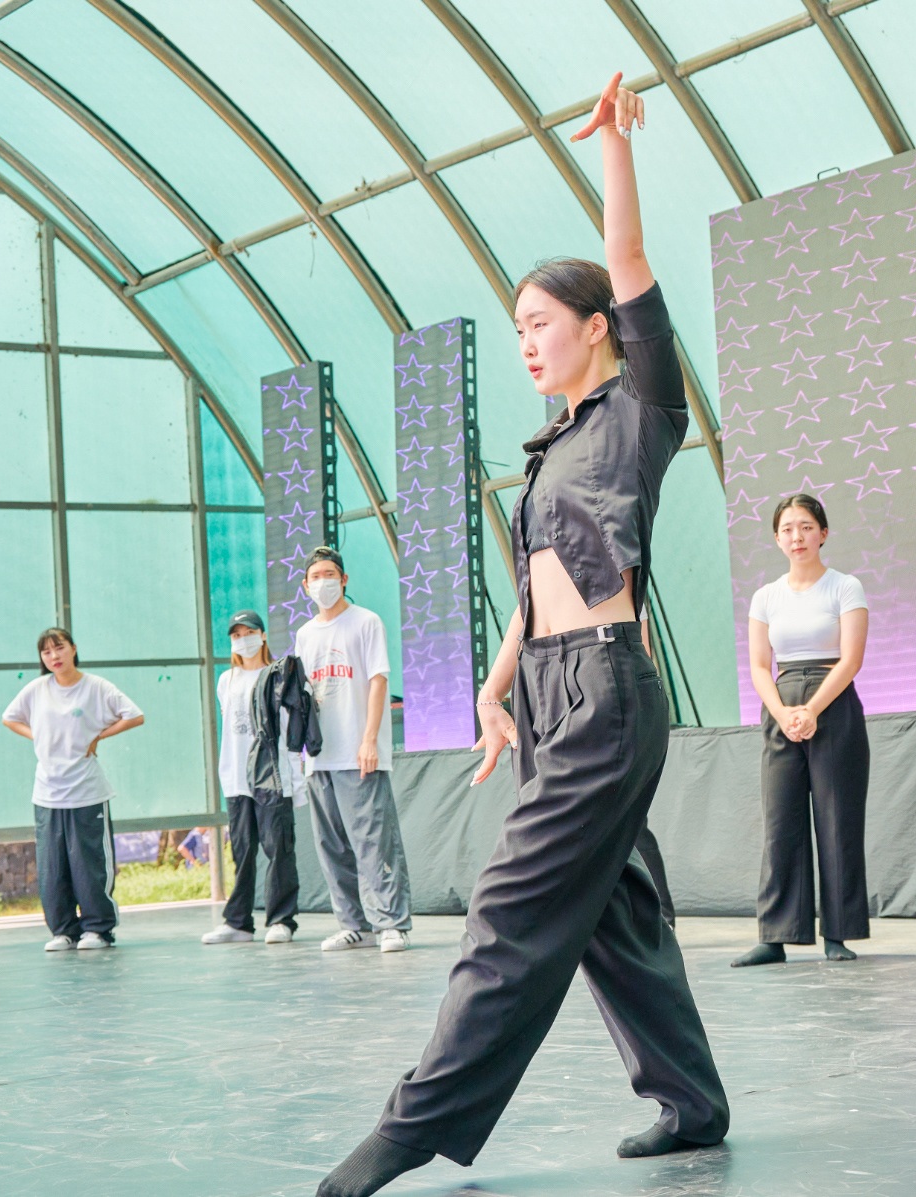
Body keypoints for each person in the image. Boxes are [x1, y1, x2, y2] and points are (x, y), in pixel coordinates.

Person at [316, 73, 729, 1197]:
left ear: (599, 329)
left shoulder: (642, 411)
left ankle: (411, 1127)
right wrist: (499, 685)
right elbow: (544, 591)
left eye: (540, 323)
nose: (527, 343)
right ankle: (691, 1101)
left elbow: (629, 260)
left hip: (605, 692)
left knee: (511, 908)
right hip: (550, 686)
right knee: (615, 913)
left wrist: (615, 150)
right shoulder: (553, 446)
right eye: (515, 331)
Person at [734, 494, 870, 967]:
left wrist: (811, 709)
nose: (797, 537)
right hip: (781, 706)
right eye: (788, 529)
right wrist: (783, 711)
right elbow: (758, 666)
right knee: (781, 822)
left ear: (823, 533)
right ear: (777, 539)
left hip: (833, 703)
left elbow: (851, 659)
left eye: (807, 527)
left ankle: (839, 933)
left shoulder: (845, 586)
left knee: (837, 820)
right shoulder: (766, 596)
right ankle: (775, 935)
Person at [295, 547, 413, 954]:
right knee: (332, 846)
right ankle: (352, 924)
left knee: (374, 841)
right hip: (319, 756)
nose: (323, 582)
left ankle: (390, 923)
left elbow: (378, 680)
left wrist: (369, 739)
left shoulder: (366, 622)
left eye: (330, 574)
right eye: (315, 576)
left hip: (358, 752)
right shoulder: (305, 634)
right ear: (305, 585)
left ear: (344, 579)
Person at [2, 628, 144, 952]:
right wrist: (38, 736)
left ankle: (98, 929)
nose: (54, 656)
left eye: (60, 648)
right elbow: (9, 718)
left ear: (73, 649)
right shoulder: (37, 689)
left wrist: (98, 736)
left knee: (89, 866)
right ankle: (63, 930)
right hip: (47, 793)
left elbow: (134, 715)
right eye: (47, 652)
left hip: (86, 791)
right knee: (53, 868)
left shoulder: (95, 686)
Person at [201, 610, 301, 944]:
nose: (243, 640)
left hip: (272, 776)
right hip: (236, 778)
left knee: (278, 849)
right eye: (236, 635)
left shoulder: (277, 676)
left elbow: (288, 728)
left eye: (249, 632)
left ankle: (282, 920)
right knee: (242, 852)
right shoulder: (226, 681)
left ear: (262, 635)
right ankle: (238, 923)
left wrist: (295, 777)